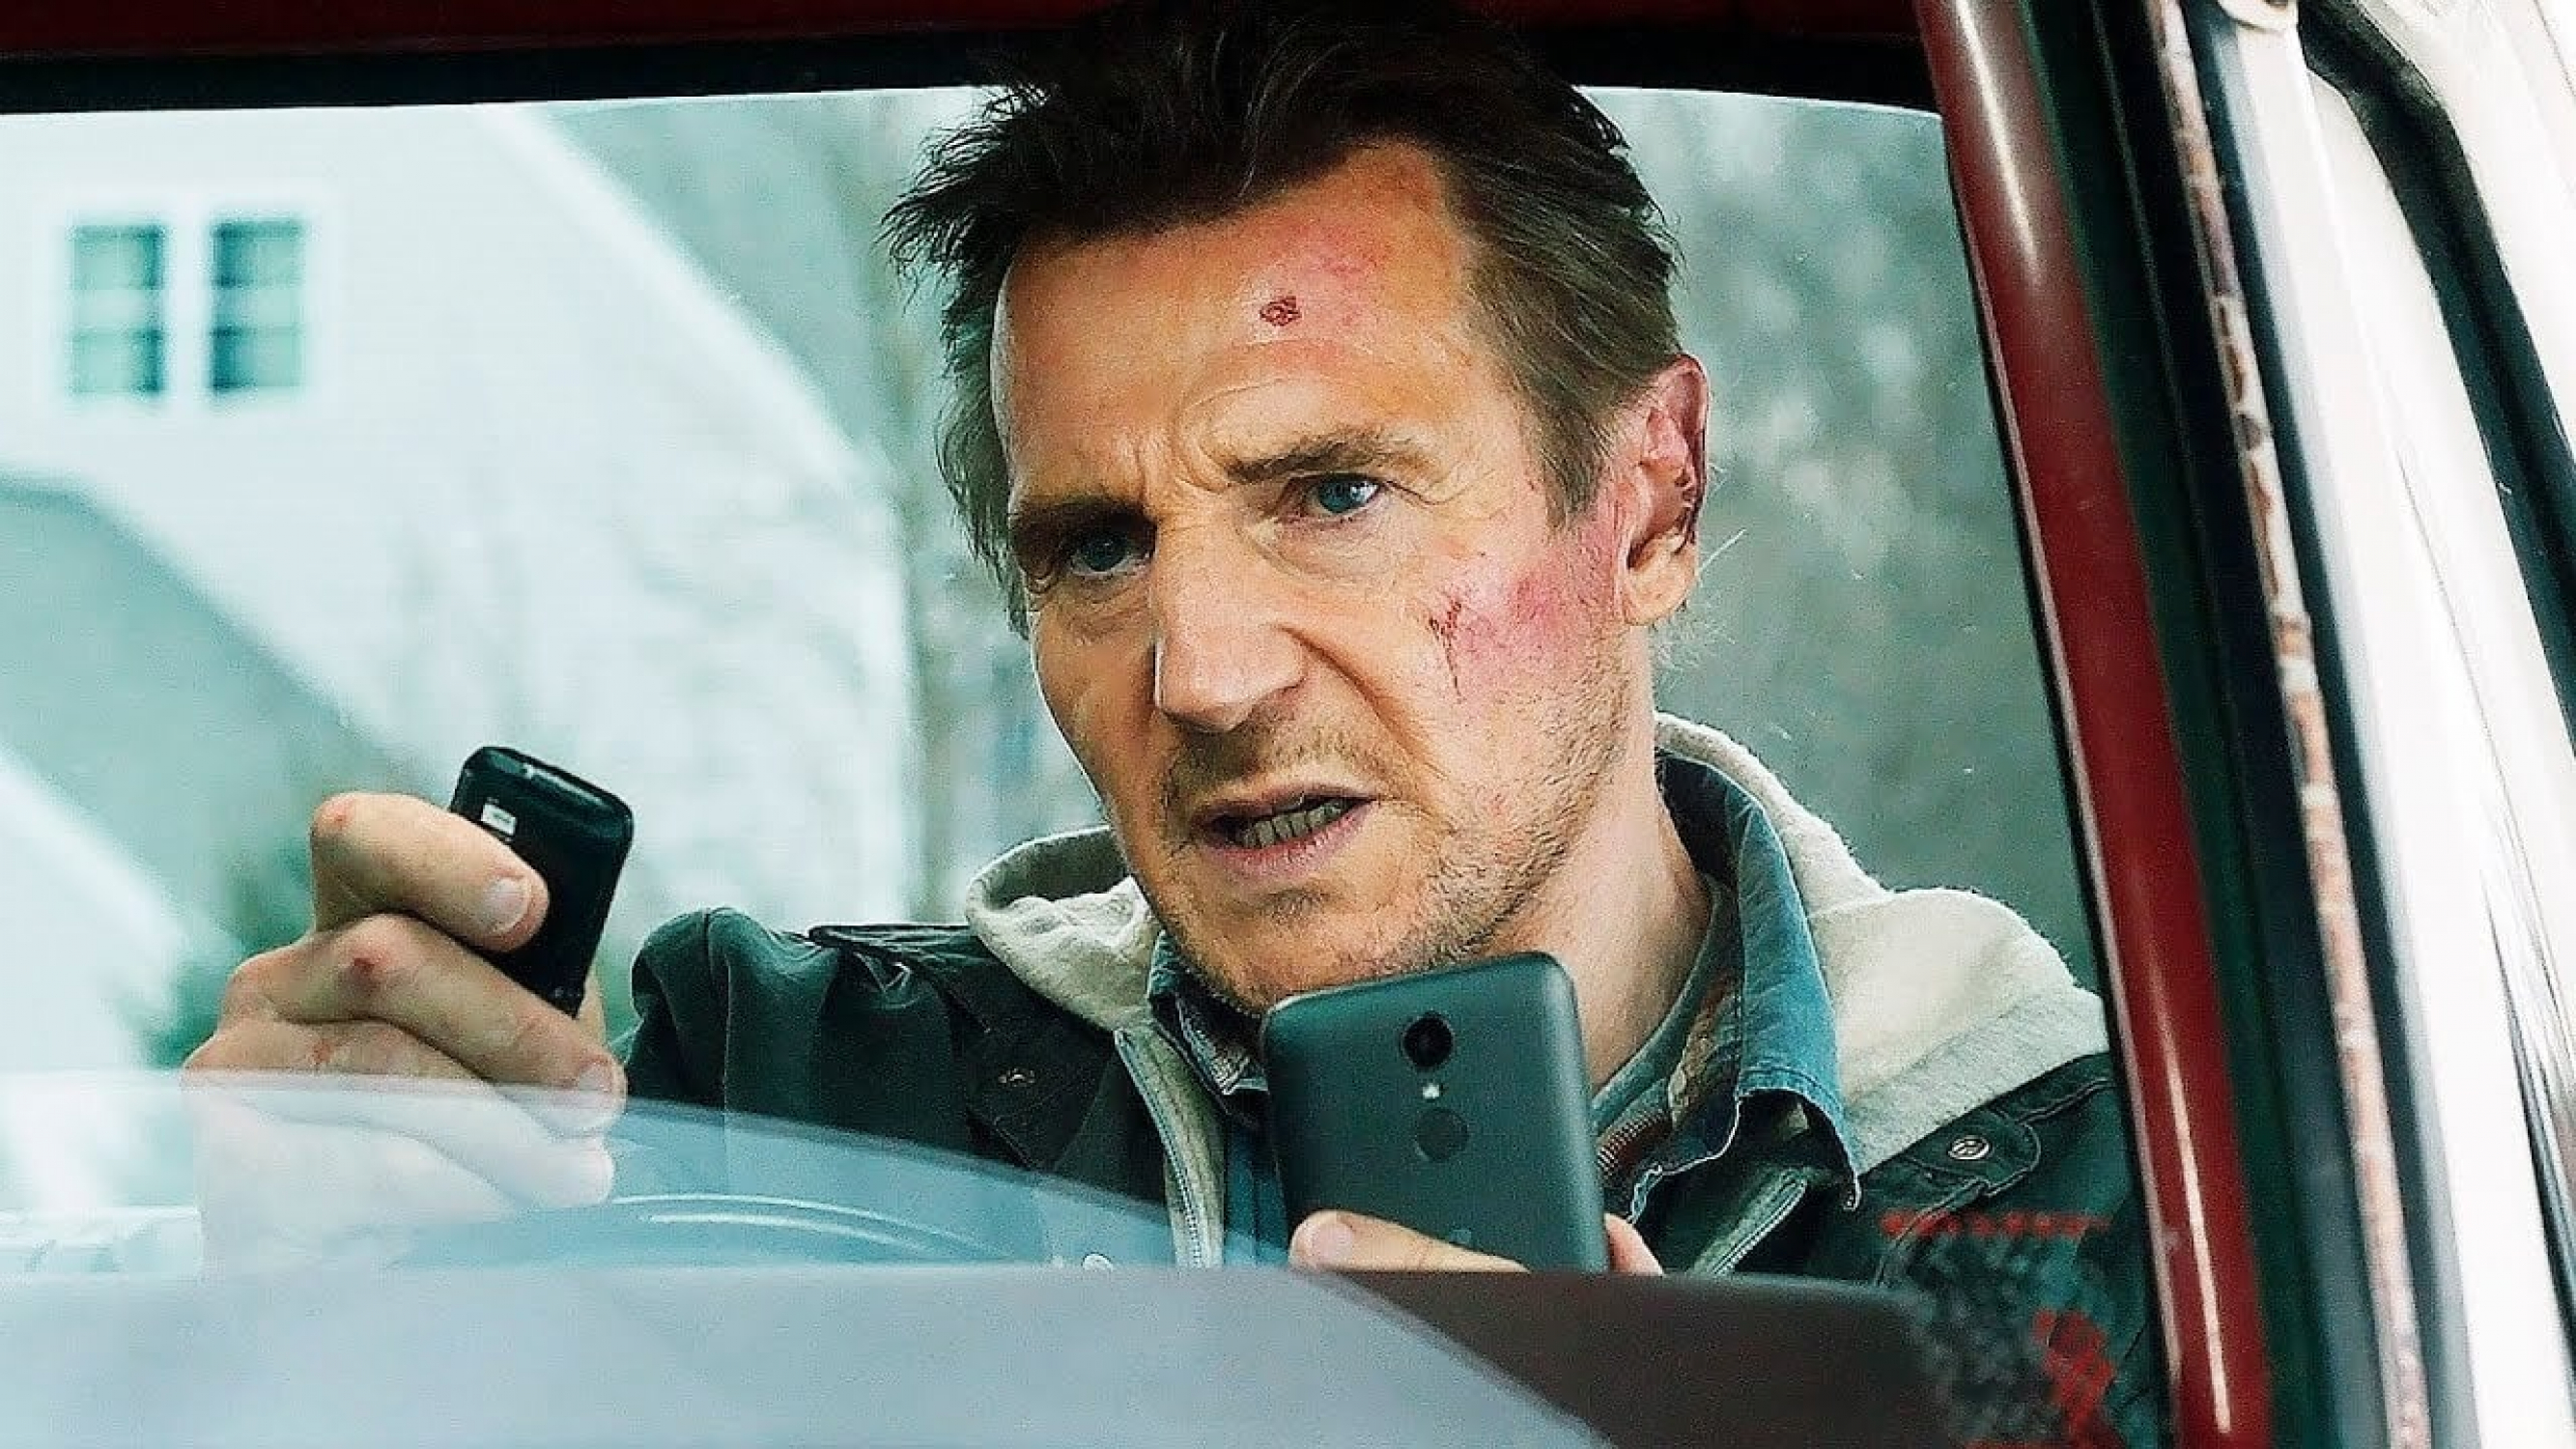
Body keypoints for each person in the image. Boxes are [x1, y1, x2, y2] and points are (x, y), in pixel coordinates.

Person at [187, 0, 2158, 1440]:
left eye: (1332, 494)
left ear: (1648, 503)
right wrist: (305, 1314)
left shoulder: (2130, 1214)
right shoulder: (792, 1111)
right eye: (1098, 548)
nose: (1202, 674)